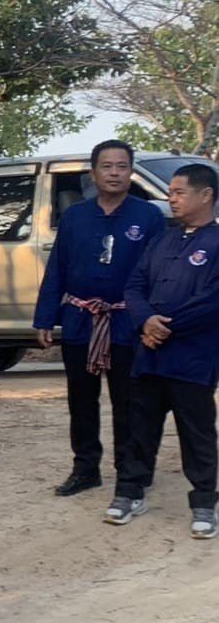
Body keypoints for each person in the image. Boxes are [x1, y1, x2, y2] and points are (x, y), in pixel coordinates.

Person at [33, 140, 166, 498]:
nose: (114, 173)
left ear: (131, 172)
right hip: (80, 321)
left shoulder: (149, 217)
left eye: (122, 166)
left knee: (129, 400)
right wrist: (45, 318)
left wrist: (152, 319)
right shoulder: (76, 216)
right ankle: (86, 468)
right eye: (106, 166)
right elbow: (57, 269)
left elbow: (159, 273)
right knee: (81, 400)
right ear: (93, 173)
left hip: (127, 323)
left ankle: (130, 470)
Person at [111, 163, 219, 537]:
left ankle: (204, 502)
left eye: (178, 192)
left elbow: (212, 301)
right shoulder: (162, 239)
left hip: (192, 359)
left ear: (206, 195)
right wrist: (145, 322)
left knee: (197, 433)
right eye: (170, 192)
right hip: (149, 355)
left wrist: (164, 327)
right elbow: (134, 286)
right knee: (138, 428)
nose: (171, 199)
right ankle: (130, 492)